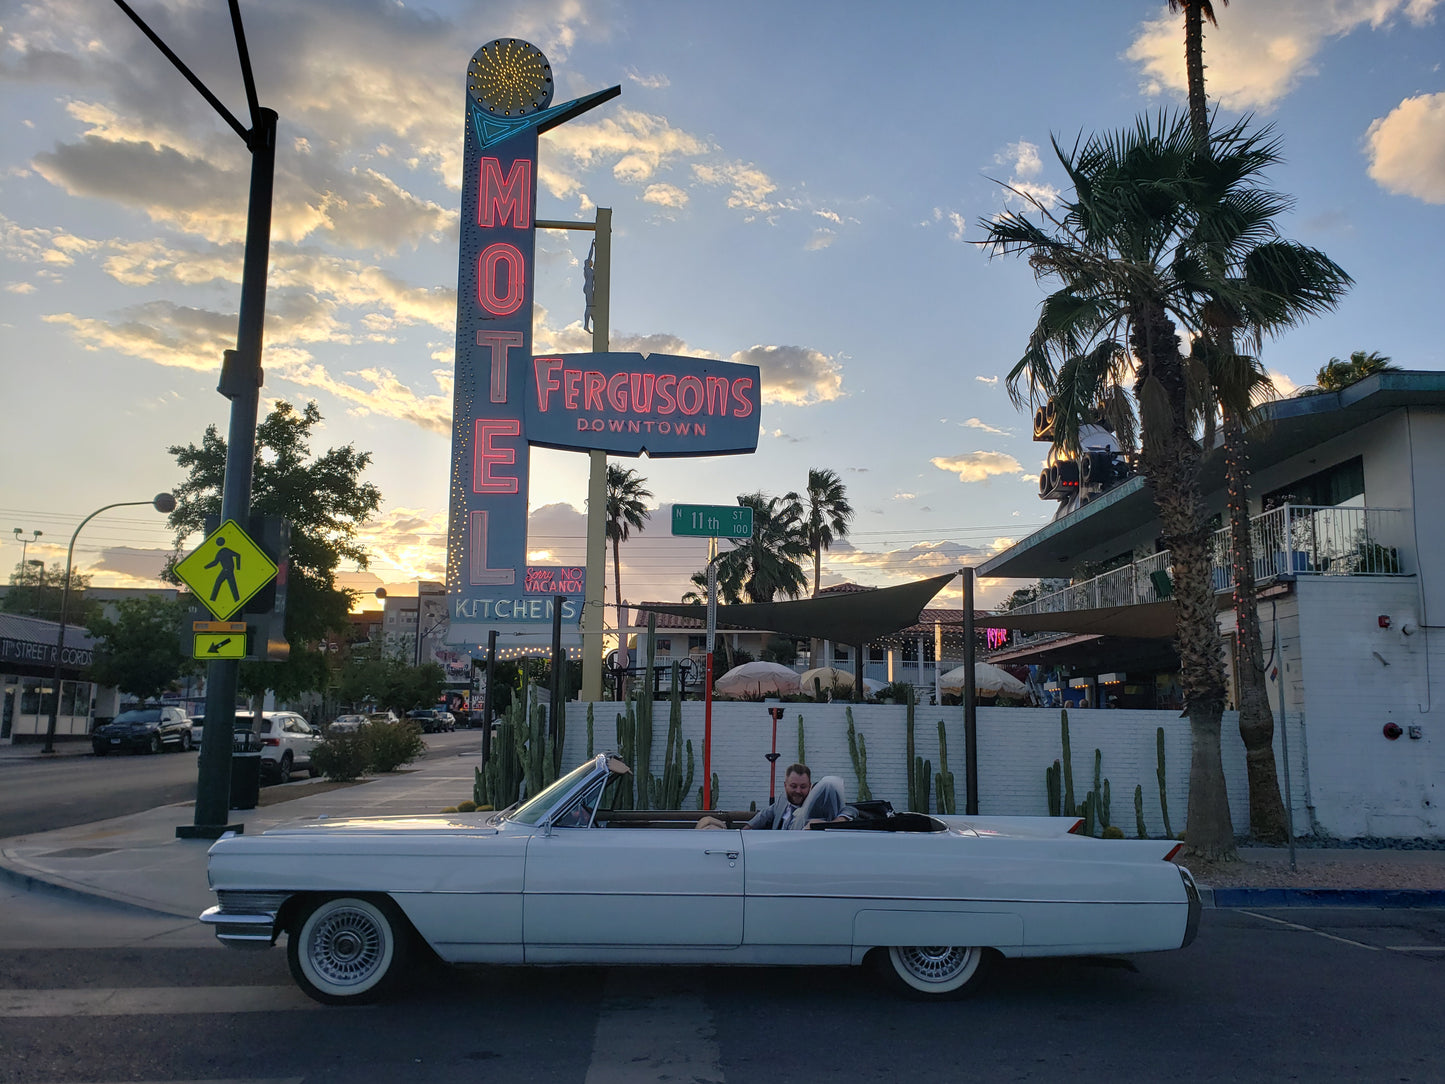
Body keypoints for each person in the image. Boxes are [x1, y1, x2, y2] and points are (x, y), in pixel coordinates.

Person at [743, 763, 853, 830]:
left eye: (803, 786)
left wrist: (838, 820)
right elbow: (765, 815)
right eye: (793, 786)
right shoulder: (783, 798)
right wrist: (745, 829)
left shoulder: (816, 804)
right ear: (785, 785)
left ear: (810, 786)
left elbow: (850, 809)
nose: (798, 791)